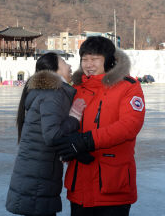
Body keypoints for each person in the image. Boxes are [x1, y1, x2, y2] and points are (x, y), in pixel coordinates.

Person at [54, 36, 146, 216]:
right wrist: (70, 145)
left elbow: (129, 126)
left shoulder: (128, 87)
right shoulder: (77, 88)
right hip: (79, 184)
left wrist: (86, 140)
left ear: (108, 60)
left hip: (112, 185)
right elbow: (60, 122)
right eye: (85, 59)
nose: (89, 65)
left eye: (95, 59)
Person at [6, 52, 93, 216]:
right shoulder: (51, 94)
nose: (69, 66)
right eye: (64, 62)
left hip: (36, 175)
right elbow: (52, 135)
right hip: (37, 181)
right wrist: (74, 117)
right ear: (55, 70)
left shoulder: (46, 91)